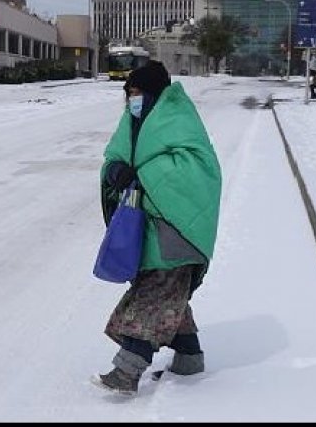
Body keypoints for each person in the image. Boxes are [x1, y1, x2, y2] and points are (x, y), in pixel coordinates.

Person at [93, 60, 222, 396]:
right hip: (147, 228)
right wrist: (115, 171)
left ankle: (126, 371)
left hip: (176, 229)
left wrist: (142, 176)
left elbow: (193, 170)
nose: (131, 99)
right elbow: (115, 156)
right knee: (169, 295)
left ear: (152, 93)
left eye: (136, 92)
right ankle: (189, 358)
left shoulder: (178, 120)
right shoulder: (134, 121)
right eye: (128, 94)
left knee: (153, 297)